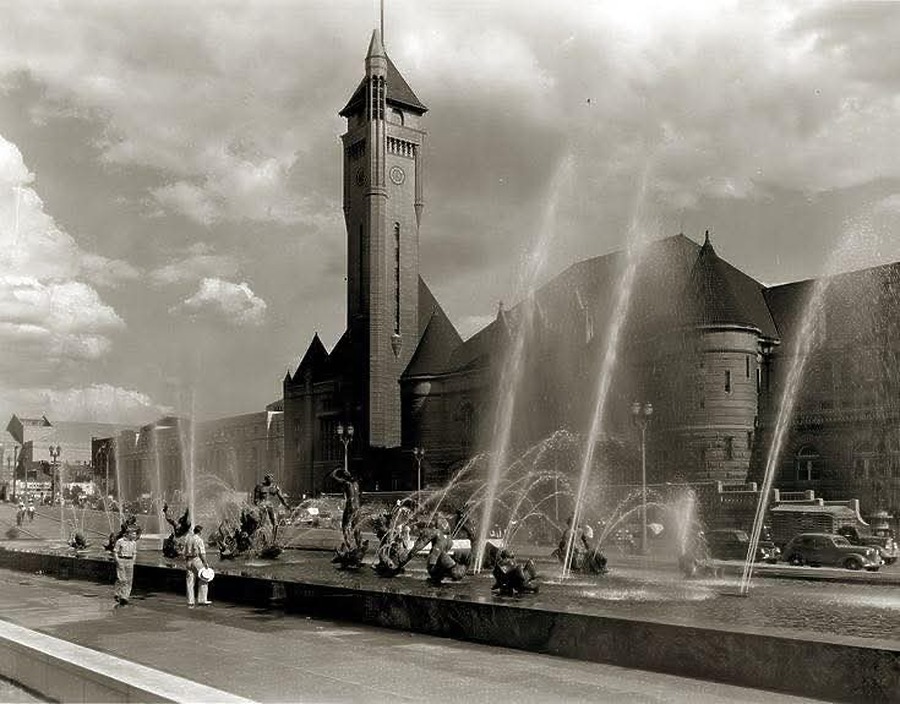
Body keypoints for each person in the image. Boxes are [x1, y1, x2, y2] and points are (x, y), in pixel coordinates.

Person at [329, 465, 361, 550]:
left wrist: (336, 471)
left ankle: (348, 544)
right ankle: (359, 545)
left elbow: (333, 477)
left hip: (350, 506)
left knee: (345, 526)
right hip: (357, 507)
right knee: (356, 526)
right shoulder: (356, 484)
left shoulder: (346, 484)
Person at [183, 524, 212, 607]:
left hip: (188, 560)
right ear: (200, 532)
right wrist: (205, 563)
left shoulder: (188, 539)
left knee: (189, 581)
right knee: (204, 578)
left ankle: (190, 601)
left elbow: (184, 552)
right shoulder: (199, 540)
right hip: (196, 560)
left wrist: (187, 560)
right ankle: (202, 599)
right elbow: (202, 553)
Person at [113, 526, 138, 606]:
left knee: (129, 580)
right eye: (133, 534)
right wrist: (118, 560)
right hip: (121, 560)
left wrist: (133, 560)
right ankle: (117, 593)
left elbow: (134, 553)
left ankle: (125, 597)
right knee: (121, 579)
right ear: (128, 534)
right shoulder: (120, 541)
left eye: (135, 534)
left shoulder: (134, 543)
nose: (135, 536)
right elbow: (115, 552)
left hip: (130, 561)